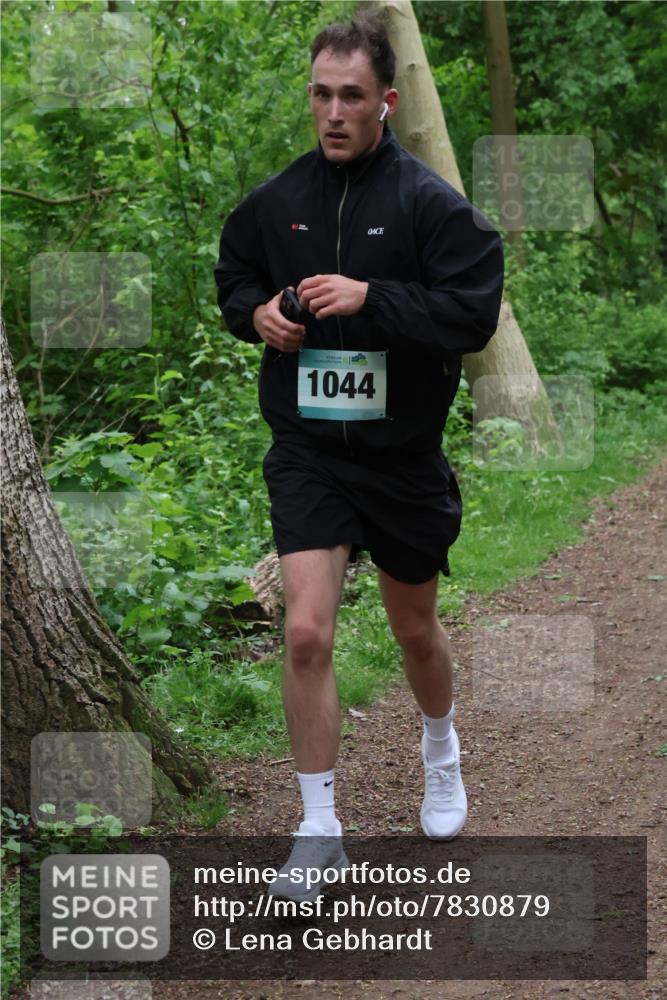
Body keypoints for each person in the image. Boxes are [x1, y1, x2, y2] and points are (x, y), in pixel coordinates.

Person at [214, 13, 504, 899]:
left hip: (403, 456)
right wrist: (254, 315)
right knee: (305, 629)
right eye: (320, 93)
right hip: (308, 451)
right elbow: (232, 276)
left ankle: (440, 749)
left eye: (351, 96)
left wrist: (372, 298)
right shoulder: (277, 202)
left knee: (414, 629)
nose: (333, 112)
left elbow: (470, 314)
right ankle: (317, 826)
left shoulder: (428, 205)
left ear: (385, 100)